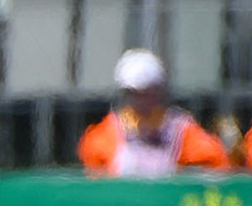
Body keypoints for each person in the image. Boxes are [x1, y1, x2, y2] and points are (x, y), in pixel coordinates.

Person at [79, 49, 229, 175]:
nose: (141, 100)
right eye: (133, 93)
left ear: (159, 91)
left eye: (147, 92)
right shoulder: (104, 135)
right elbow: (94, 186)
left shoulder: (182, 132)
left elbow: (217, 164)